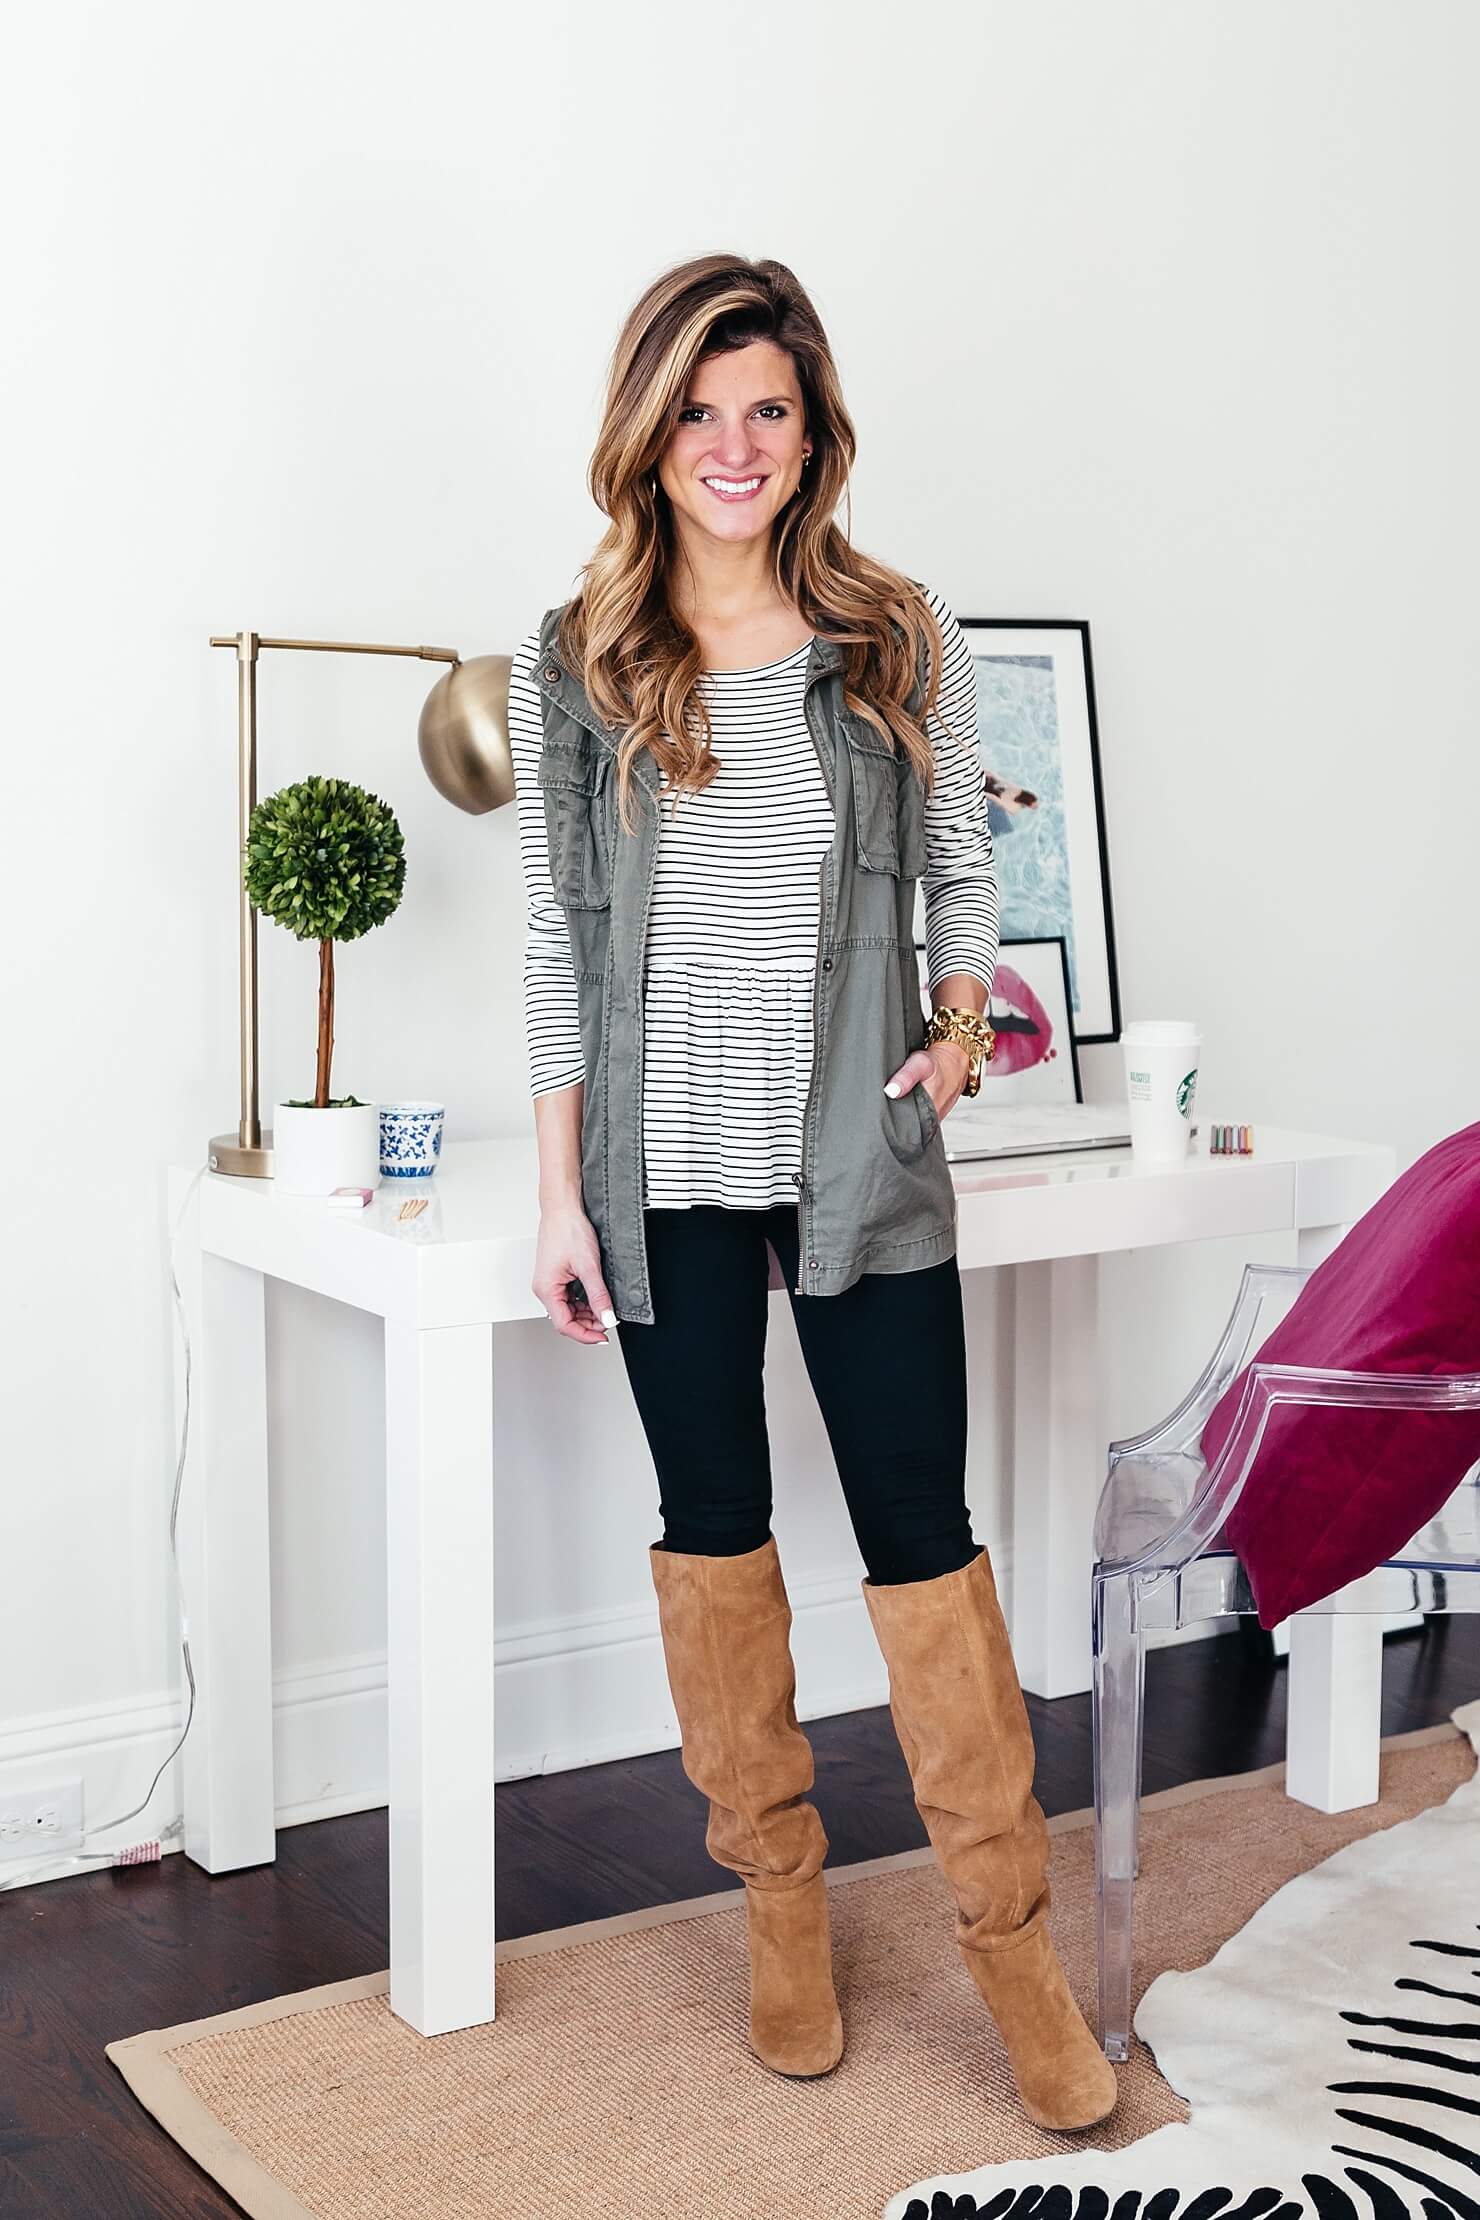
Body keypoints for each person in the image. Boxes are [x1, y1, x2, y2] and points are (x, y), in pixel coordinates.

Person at [510, 251, 1117, 2136]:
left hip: (856, 1147)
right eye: (698, 408)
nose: (732, 443)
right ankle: (782, 1903)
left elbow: (962, 866)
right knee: (714, 1530)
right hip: (659, 1168)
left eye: (764, 406)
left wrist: (957, 1036)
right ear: (648, 429)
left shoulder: (886, 629)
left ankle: (1014, 1955)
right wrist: (558, 1196)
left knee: (920, 1538)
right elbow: (555, 930)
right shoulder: (577, 653)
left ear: (812, 427)